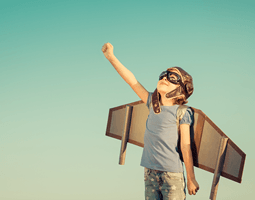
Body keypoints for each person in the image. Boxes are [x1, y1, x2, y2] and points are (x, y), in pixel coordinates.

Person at [101, 42, 199, 200]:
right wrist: (111, 58)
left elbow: (185, 146)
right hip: (149, 173)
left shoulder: (182, 112)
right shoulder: (152, 104)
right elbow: (132, 81)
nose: (165, 78)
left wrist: (191, 178)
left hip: (172, 175)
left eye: (172, 77)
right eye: (163, 75)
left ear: (182, 89)